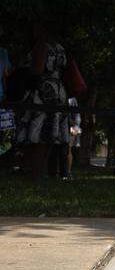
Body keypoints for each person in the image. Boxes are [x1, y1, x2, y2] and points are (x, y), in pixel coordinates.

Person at [15, 23, 70, 179]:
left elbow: (37, 70)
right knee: (50, 134)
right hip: (58, 92)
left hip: (43, 92)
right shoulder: (59, 47)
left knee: (38, 134)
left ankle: (36, 172)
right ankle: (42, 171)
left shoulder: (42, 46)